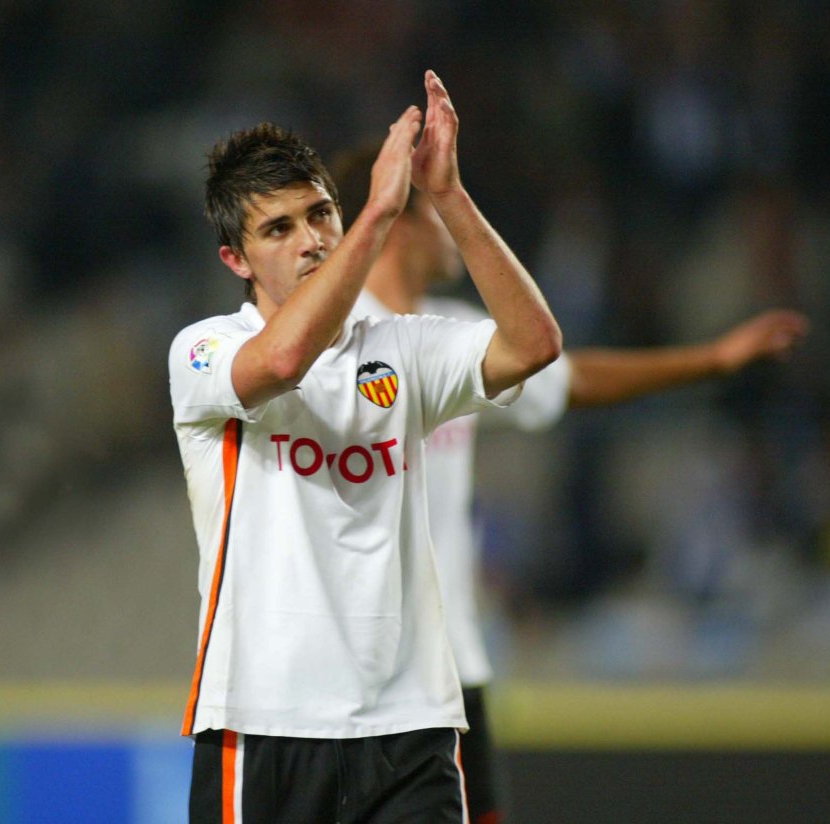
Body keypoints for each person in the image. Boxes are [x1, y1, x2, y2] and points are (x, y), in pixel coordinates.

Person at [331, 145, 810, 824]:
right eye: (436, 212)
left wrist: (712, 358)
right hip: (356, 677)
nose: (450, 232)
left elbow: (568, 377)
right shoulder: (329, 347)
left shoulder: (451, 333)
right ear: (398, 223)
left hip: (451, 671)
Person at [168, 70, 561, 823]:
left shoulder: (403, 349)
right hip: (264, 721)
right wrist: (380, 213)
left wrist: (446, 196)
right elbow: (283, 363)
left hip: (410, 723)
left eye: (321, 214)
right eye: (278, 229)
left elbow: (535, 344)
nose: (311, 239)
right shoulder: (206, 351)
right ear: (236, 261)